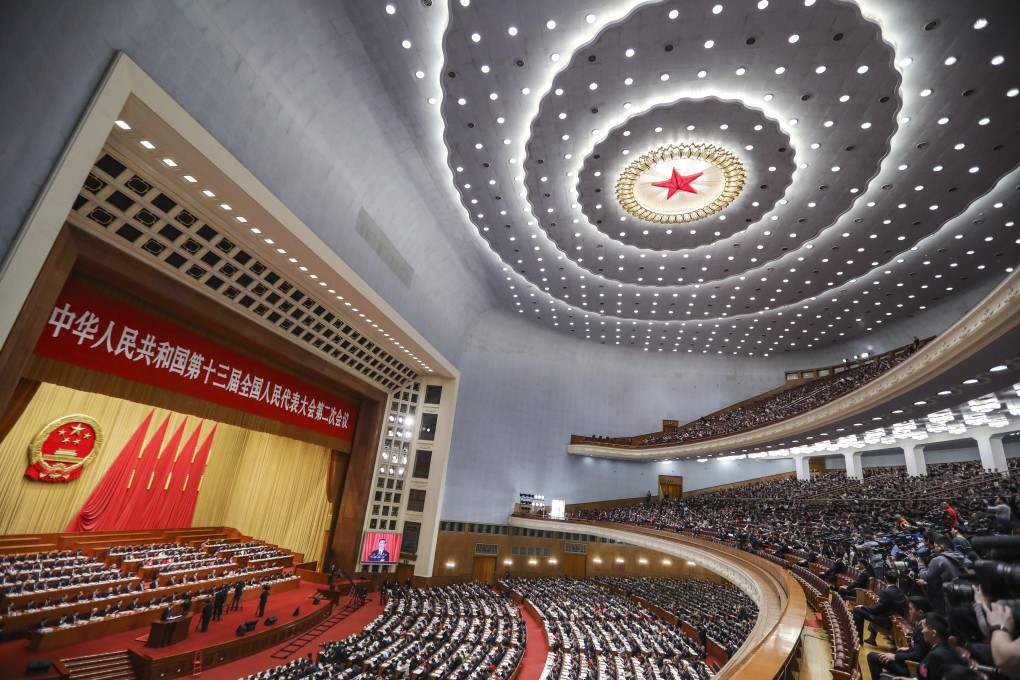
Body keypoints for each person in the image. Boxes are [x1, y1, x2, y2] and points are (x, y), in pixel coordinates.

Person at [886, 613, 965, 680]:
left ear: (933, 633)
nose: (921, 631)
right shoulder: (938, 648)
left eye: (923, 628)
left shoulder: (936, 655)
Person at [854, 570, 907, 645]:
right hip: (893, 619)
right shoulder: (901, 593)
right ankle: (871, 639)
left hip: (886, 621)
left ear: (885, 579)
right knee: (871, 610)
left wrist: (863, 606)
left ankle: (859, 640)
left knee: (857, 610)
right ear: (897, 580)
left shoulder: (886, 592)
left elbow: (877, 610)